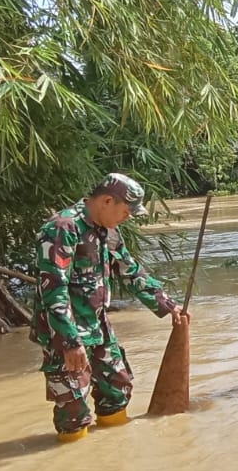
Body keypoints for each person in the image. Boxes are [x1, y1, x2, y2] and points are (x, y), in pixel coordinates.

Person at [31, 173, 186, 442]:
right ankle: (75, 458)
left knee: (117, 390)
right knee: (73, 407)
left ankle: (114, 453)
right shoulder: (62, 228)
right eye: (126, 211)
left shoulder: (108, 230)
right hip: (66, 333)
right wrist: (70, 342)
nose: (127, 217)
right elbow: (53, 289)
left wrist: (168, 304)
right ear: (106, 201)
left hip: (99, 327)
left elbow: (130, 270)